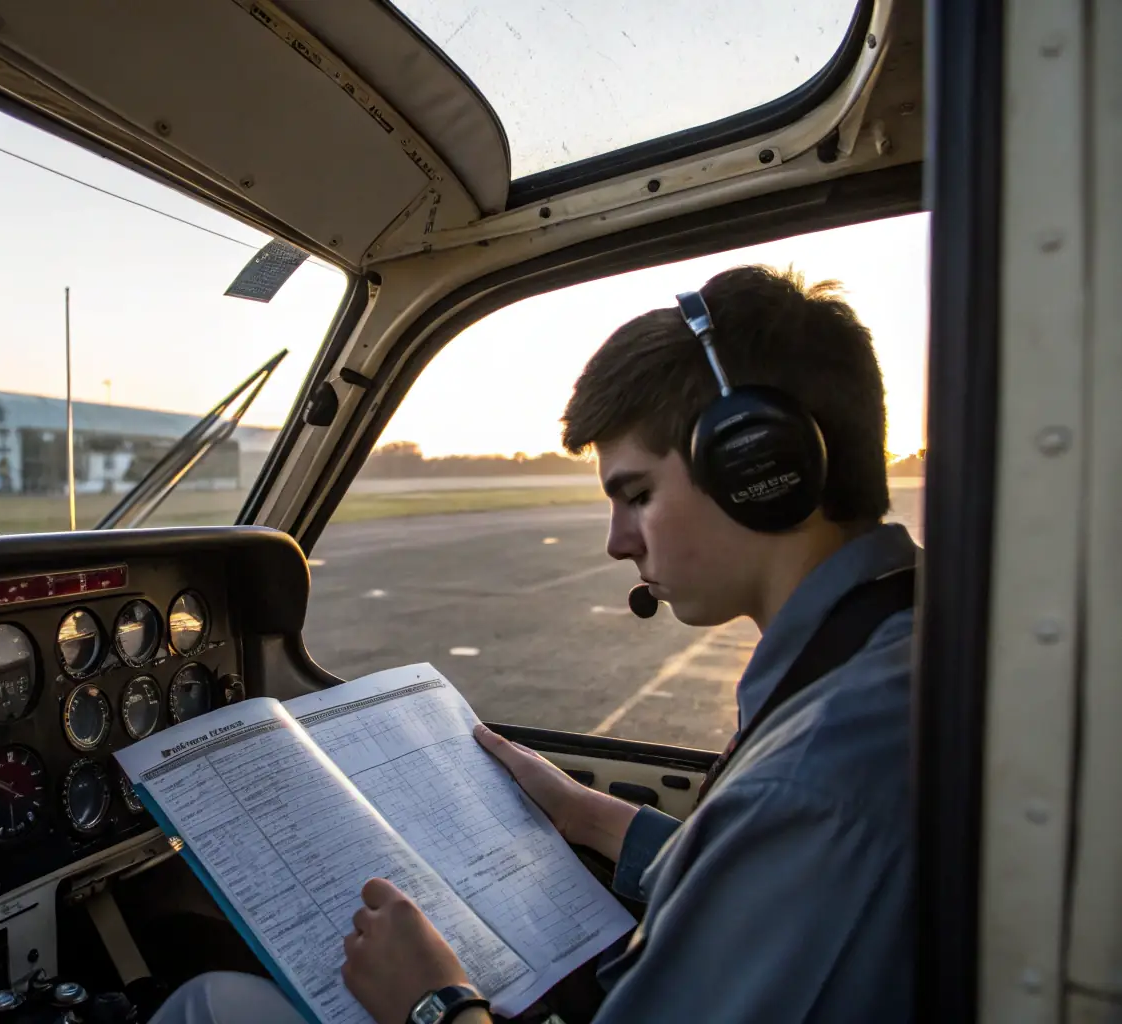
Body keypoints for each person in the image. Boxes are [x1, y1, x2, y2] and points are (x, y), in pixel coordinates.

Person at [150, 265, 918, 1024]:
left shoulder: (818, 774)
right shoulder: (883, 650)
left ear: (760, 465)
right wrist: (586, 815)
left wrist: (434, 1003)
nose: (619, 543)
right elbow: (764, 897)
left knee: (207, 1004)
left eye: (638, 494)